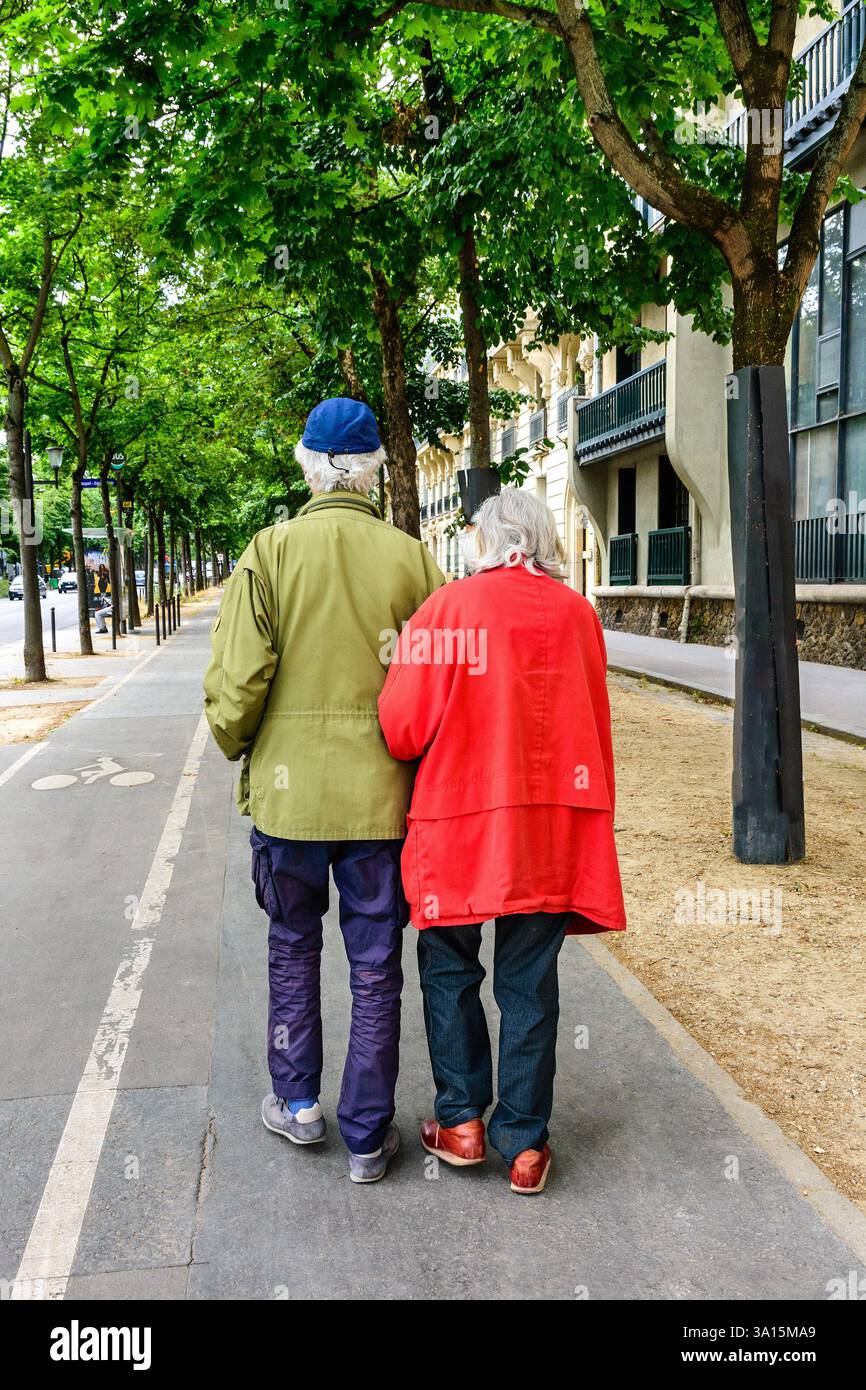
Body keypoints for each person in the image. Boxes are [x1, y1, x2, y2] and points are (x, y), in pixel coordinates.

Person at [204, 397, 444, 1183]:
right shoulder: (412, 560)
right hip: (382, 802)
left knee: (291, 948)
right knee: (376, 962)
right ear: (375, 469)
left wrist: (236, 741)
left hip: (291, 797)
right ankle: (369, 1135)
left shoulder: (268, 551)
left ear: (307, 463)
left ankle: (299, 1105)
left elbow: (239, 684)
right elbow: (439, 681)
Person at [378, 487, 626, 1195]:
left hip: (461, 822)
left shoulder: (448, 610)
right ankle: (525, 1144)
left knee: (449, 967)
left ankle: (460, 1121)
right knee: (528, 983)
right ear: (545, 539)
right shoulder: (578, 614)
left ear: (484, 541)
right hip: (551, 825)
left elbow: (401, 727)